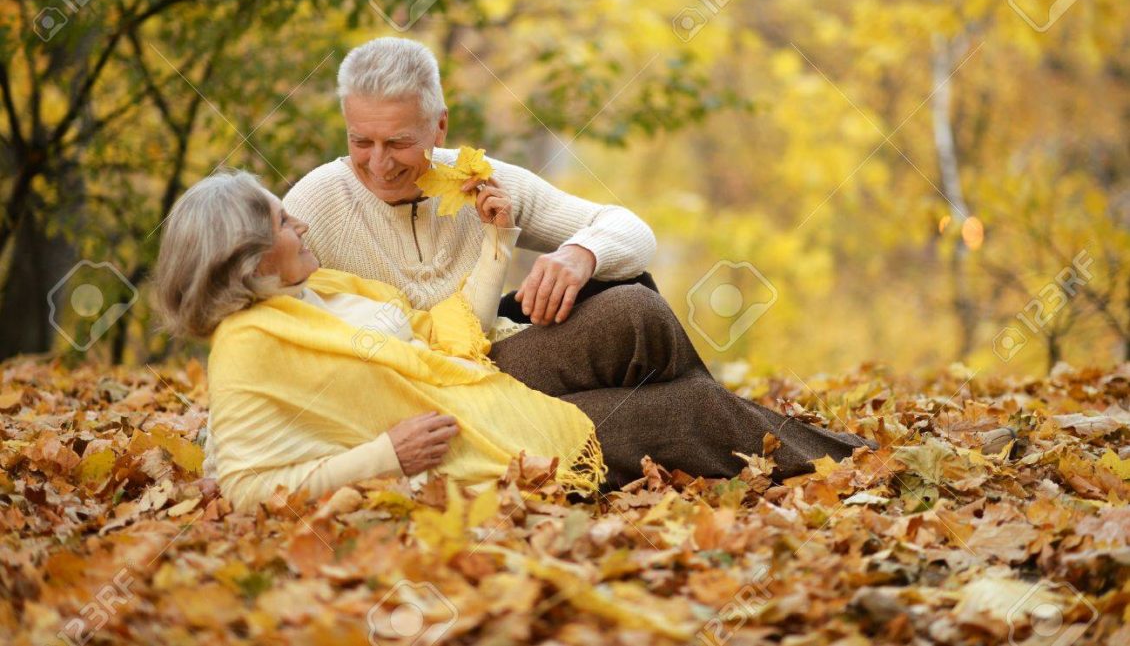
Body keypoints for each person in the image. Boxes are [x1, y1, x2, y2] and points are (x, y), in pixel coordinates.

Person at [156, 170, 872, 513]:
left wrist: (499, 239)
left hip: (480, 388)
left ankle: (816, 448)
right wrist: (386, 456)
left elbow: (446, 339)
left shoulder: (319, 293)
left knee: (635, 312)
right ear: (249, 260)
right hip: (474, 445)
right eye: (284, 223)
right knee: (691, 410)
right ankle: (866, 466)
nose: (302, 225)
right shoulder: (249, 343)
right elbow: (245, 483)